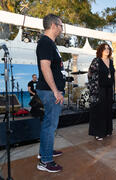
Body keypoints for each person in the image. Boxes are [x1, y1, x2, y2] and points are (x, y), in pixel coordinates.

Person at [36, 14, 65, 173]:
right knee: (50, 125)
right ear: (54, 25)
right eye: (60, 25)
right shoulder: (45, 43)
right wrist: (55, 91)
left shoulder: (49, 43)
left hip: (50, 90)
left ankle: (45, 152)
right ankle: (46, 161)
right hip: (49, 91)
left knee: (49, 124)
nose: (61, 29)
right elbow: (45, 68)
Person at [88, 43, 115, 141]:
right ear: (101, 50)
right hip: (99, 89)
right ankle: (98, 133)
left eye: (108, 48)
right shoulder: (96, 61)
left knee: (107, 110)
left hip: (109, 89)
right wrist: (94, 87)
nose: (107, 50)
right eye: (104, 49)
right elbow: (90, 74)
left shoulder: (111, 61)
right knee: (99, 111)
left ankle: (107, 130)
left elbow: (112, 75)